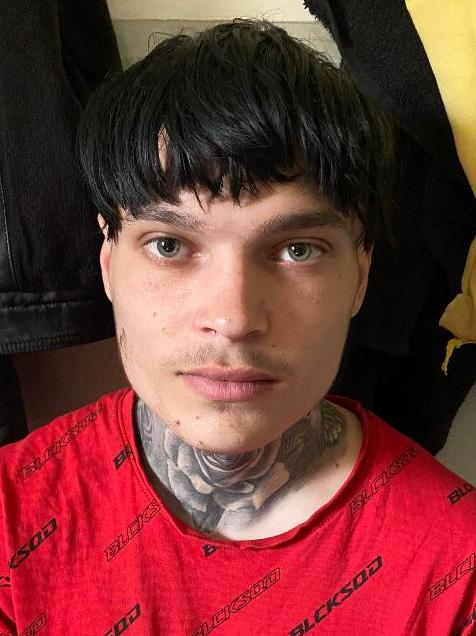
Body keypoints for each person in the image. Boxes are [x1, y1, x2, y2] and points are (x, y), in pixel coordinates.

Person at [0, 19, 474, 636]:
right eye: (169, 244)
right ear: (108, 263)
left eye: (298, 250)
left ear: (360, 276)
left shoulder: (458, 573)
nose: (233, 319)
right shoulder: (13, 519)